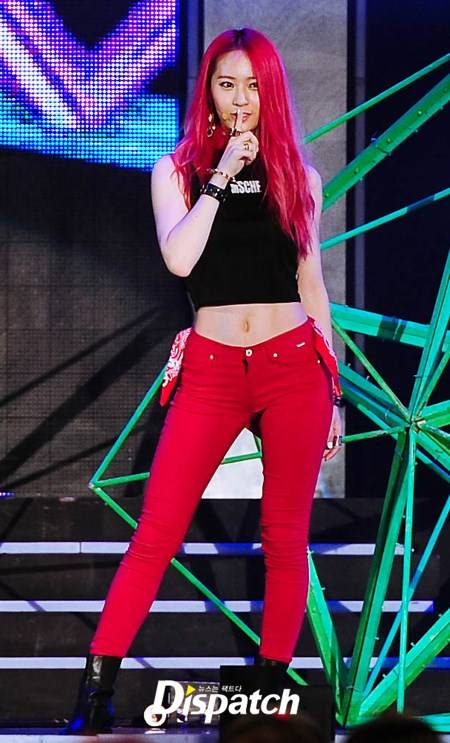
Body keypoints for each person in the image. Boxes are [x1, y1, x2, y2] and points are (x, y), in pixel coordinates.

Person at [61, 26, 344, 735]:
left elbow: (313, 286)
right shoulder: (176, 170)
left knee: (285, 535)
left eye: (253, 86)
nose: (241, 99)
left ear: (270, 92)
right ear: (209, 93)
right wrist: (220, 178)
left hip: (293, 366)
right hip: (213, 370)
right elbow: (181, 259)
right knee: (157, 529)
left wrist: (333, 388)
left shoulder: (299, 178)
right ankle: (94, 691)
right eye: (227, 84)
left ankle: (270, 694)